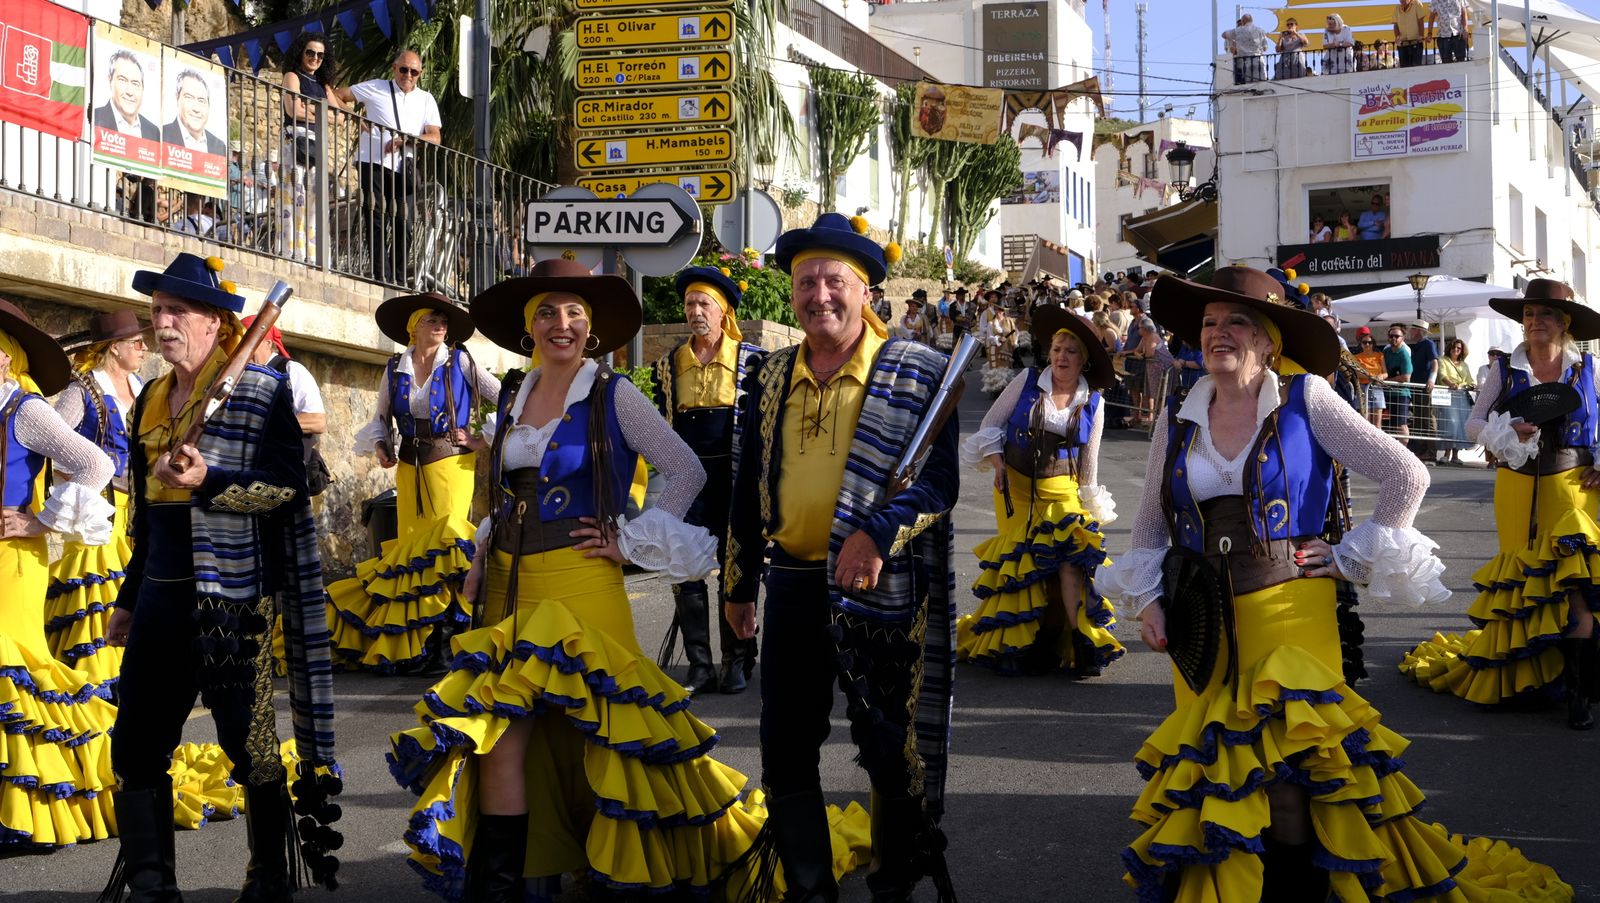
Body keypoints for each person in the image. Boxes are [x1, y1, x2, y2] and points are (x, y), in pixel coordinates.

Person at [1101, 266, 1571, 901]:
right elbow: (1153, 517)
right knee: (1222, 775)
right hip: (1200, 620)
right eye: (1210, 323)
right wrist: (1149, 600)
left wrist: (1349, 555)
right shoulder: (1179, 413)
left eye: (1237, 321)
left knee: (1295, 779)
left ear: (1269, 339)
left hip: (1291, 612)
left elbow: (1406, 473)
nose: (1219, 333)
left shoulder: (1305, 398)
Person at [386, 258, 838, 900]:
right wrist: (480, 552)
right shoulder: (512, 392)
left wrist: (629, 542)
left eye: (574, 313)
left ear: (591, 329)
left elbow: (685, 469)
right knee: (501, 734)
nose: (560, 324)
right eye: (546, 312)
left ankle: (617, 871)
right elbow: (496, 491)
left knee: (603, 732)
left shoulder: (613, 392)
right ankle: (512, 879)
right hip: (509, 591)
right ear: (528, 326)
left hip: (583, 585)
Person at [723, 213, 961, 902]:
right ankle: (811, 889)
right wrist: (737, 584)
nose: (818, 294)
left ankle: (893, 884)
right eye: (805, 282)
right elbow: (747, 485)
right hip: (792, 582)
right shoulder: (769, 374)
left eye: (834, 280)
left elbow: (938, 483)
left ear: (865, 290)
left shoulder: (918, 372)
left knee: (890, 750)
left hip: (879, 588)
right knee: (786, 746)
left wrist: (877, 531)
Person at [103, 252, 342, 898]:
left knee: (249, 741)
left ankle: (269, 871)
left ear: (215, 323)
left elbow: (290, 491)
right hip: (159, 594)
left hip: (231, 599)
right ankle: (153, 884)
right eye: (157, 310)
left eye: (178, 309)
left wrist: (212, 482)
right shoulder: (149, 400)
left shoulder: (263, 393)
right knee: (135, 745)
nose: (164, 321)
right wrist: (129, 596)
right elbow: (147, 520)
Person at [1403, 281, 1600, 730]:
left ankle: (1578, 693)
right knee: (1525, 580)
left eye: (1546, 315)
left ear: (1564, 323)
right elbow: (1473, 423)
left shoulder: (1588, 367)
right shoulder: (1504, 369)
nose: (1535, 322)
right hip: (1515, 486)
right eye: (1530, 314)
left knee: (1574, 582)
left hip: (1574, 485)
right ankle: (1529, 677)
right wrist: (1506, 431)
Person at [0, 300, 121, 851]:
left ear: (6, 358)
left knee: (12, 668)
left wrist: (38, 519)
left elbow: (98, 464)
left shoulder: (25, 410)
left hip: (16, 560)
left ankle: (38, 812)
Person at [329, 292, 499, 672]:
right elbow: (381, 416)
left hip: (450, 466)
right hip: (409, 467)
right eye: (431, 320)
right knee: (412, 556)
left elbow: (507, 400)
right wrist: (380, 444)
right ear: (413, 328)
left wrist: (478, 438)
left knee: (447, 548)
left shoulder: (462, 362)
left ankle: (450, 641)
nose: (439, 326)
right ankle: (416, 643)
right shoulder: (395, 367)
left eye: (443, 321)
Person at [958, 306, 1123, 677]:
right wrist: (997, 463)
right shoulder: (1027, 380)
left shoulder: (1093, 403)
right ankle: (1021, 645)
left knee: (1070, 562)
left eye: (1071, 351)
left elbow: (1089, 462)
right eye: (1057, 349)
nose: (1062, 357)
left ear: (1083, 361)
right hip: (1015, 490)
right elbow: (990, 425)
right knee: (1024, 565)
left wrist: (1089, 505)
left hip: (1063, 491)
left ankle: (1082, 641)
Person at [648, 266, 763, 695]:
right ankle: (699, 663)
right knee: (686, 566)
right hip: (686, 481)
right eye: (690, 303)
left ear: (723, 311)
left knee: (735, 568)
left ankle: (736, 658)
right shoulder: (669, 363)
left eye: (704, 304)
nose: (696, 311)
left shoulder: (751, 360)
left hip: (733, 479)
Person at [45, 310, 145, 690]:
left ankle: (130, 678)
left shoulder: (142, 388)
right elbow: (50, 440)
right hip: (96, 510)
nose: (143, 348)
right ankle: (95, 680)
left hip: (136, 509)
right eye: (136, 342)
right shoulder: (82, 390)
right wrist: (73, 480)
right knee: (98, 592)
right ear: (114, 349)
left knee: (131, 592)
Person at [332, 49, 443, 284]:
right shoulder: (376, 86)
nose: (408, 75)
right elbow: (336, 94)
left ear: (420, 74)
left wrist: (408, 139)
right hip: (373, 160)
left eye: (413, 71)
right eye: (404, 69)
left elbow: (435, 137)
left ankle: (399, 278)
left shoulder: (426, 99)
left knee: (406, 222)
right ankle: (382, 274)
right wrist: (354, 116)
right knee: (376, 217)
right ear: (394, 68)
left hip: (405, 166)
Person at [280, 31, 346, 181]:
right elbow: (294, 112)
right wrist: (324, 114)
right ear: (301, 53)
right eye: (310, 52)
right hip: (296, 140)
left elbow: (340, 118)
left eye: (320, 55)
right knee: (292, 194)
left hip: (317, 143)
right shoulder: (292, 76)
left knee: (315, 197)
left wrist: (310, 108)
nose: (315, 58)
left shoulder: (324, 85)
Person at [160, 69, 226, 156]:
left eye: (201, 101)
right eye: (189, 97)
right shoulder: (161, 135)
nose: (196, 109)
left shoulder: (219, 147)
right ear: (177, 98)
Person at [1434, 336, 1474, 465]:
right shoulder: (1442, 360)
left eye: (1459, 348)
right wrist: (1451, 384)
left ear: (1462, 351)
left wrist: (1472, 385)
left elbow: (1469, 380)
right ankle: (1446, 453)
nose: (1456, 350)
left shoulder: (1464, 365)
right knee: (1450, 423)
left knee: (1460, 424)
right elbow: (1442, 375)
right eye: (1454, 347)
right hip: (1447, 394)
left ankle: (1455, 455)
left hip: (1461, 396)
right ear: (1449, 348)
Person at [1407, 320, 1440, 463]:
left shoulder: (1428, 344)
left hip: (1425, 386)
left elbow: (1435, 363)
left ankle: (1431, 451)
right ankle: (1422, 450)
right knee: (1419, 418)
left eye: (1412, 330)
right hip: (1416, 386)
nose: (1410, 332)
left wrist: (1432, 379)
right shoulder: (1418, 345)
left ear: (1418, 331)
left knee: (1428, 418)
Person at [1353, 327, 1389, 429]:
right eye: (1364, 343)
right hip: (1363, 388)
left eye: (1369, 342)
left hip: (1377, 388)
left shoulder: (1379, 355)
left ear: (1373, 343)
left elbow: (1386, 373)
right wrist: (1371, 377)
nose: (1367, 345)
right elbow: (1357, 373)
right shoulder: (1356, 357)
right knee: (1365, 422)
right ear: (1361, 344)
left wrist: (1380, 376)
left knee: (1377, 424)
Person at [1383, 324, 1413, 443]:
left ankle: (1404, 453)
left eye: (1397, 336)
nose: (1394, 338)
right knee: (1387, 425)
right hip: (1387, 393)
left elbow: (1406, 377)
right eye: (1391, 336)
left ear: (1403, 338)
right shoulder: (1386, 352)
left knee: (1401, 425)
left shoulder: (1404, 353)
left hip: (1401, 394)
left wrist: (1386, 381)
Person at [1223, 14, 1270, 84]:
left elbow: (1224, 34)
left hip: (1246, 62)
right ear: (1252, 20)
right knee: (1262, 84)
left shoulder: (1238, 31)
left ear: (1243, 21)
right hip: (1259, 60)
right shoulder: (1261, 30)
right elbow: (1265, 48)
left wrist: (1234, 40)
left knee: (1249, 86)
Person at [1394, 0, 1430, 67]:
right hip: (1403, 44)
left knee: (1416, 68)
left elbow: (1420, 20)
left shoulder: (1416, 3)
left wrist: (1421, 35)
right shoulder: (1397, 8)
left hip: (1415, 42)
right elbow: (1395, 24)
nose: (1401, 1)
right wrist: (1397, 37)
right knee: (1404, 69)